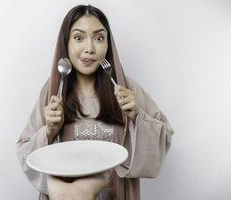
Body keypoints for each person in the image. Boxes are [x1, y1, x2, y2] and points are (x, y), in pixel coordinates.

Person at [16, 4, 174, 200]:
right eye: (79, 38)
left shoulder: (127, 88)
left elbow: (165, 136)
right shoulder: (53, 91)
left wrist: (137, 115)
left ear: (108, 45)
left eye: (99, 38)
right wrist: (49, 131)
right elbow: (25, 150)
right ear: (67, 42)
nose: (89, 49)